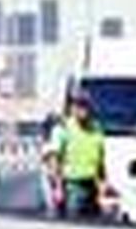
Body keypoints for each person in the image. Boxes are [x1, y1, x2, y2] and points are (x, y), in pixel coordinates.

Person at [45, 92, 107, 220]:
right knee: (74, 223)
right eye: (78, 105)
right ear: (72, 108)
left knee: (94, 223)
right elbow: (54, 160)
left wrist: (103, 186)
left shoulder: (96, 129)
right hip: (72, 186)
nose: (82, 110)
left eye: (85, 105)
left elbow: (100, 160)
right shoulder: (63, 129)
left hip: (91, 186)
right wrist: (57, 188)